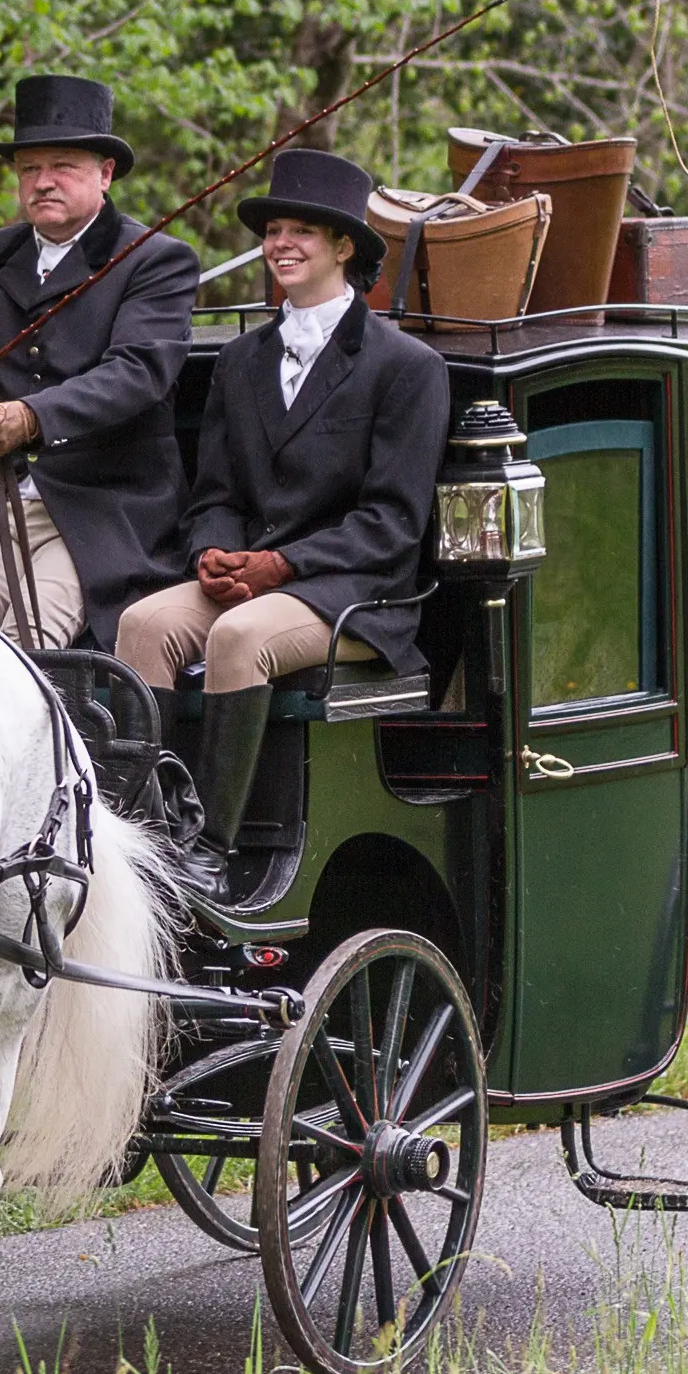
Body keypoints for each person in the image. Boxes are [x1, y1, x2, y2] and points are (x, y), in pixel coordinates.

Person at [115, 146, 450, 868]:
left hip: (357, 593)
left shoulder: (406, 368)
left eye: (300, 230)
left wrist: (281, 563)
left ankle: (209, 847)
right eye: (271, 232)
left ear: (342, 246)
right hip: (252, 576)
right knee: (143, 622)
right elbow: (216, 495)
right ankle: (141, 835)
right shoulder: (240, 361)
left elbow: (391, 523)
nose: (279, 244)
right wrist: (212, 551)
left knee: (238, 638)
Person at [0, 75, 199, 652]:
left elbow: (136, 373)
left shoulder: (156, 260)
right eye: (29, 169)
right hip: (2, 504)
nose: (43, 182)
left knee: (22, 651)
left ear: (105, 174)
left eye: (63, 166)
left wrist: (31, 417)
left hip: (107, 512)